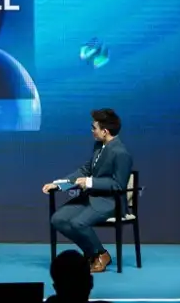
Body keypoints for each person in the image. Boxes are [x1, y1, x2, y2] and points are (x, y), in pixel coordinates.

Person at [42, 108, 132, 272]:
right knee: (58, 219)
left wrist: (91, 182)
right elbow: (85, 170)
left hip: (110, 202)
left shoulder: (121, 153)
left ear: (105, 131)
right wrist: (59, 184)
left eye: (94, 128)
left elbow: (119, 185)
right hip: (91, 198)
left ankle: (101, 255)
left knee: (78, 223)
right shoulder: (99, 146)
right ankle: (94, 253)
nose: (92, 131)